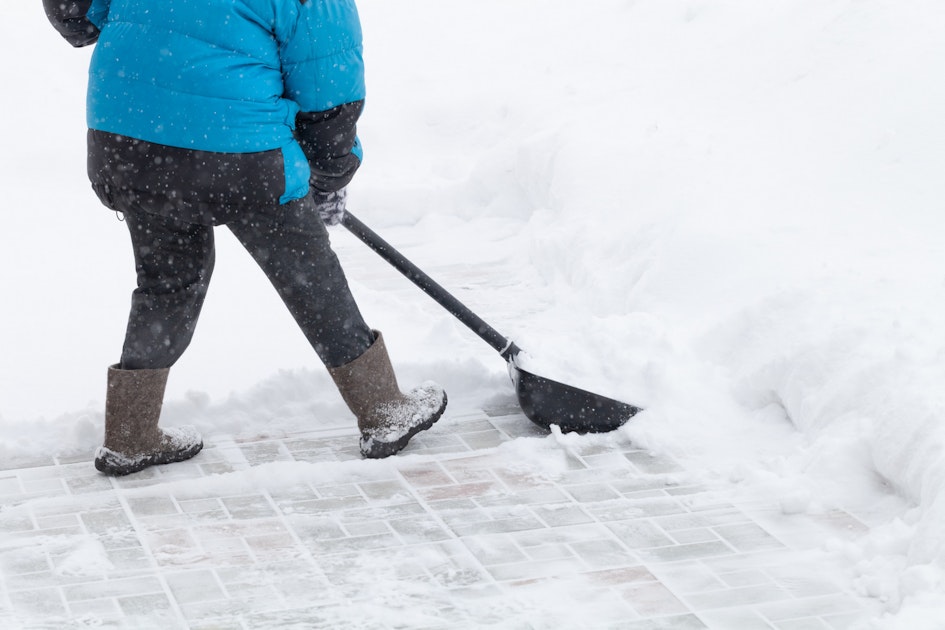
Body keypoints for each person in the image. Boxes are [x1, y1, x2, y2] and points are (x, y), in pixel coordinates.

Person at [43, 0, 447, 476]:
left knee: (168, 281)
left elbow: (75, 13)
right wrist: (329, 176)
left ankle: (131, 435)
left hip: (128, 141)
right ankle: (383, 409)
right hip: (235, 154)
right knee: (308, 275)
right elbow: (329, 93)